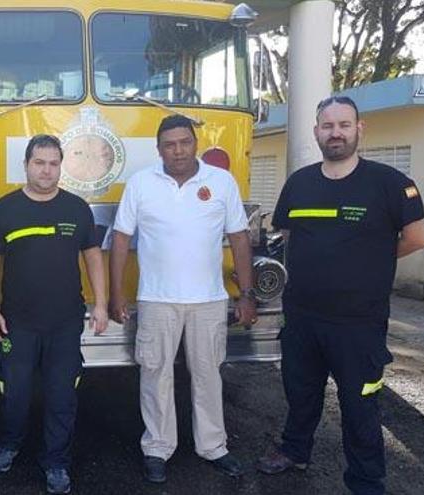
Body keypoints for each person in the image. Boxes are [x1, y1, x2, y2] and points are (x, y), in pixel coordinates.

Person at [256, 96, 424, 495]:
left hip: (358, 322)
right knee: (300, 393)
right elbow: (288, 237)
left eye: (344, 125)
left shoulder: (390, 184)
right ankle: (295, 450)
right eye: (328, 126)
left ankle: (366, 481)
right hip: (301, 316)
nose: (336, 133)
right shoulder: (299, 184)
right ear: (317, 131)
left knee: (359, 406)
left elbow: (417, 238)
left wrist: (368, 258)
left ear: (359, 130)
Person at [109, 115, 256, 482]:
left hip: (208, 300)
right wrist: (115, 294)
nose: (178, 150)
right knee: (155, 373)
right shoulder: (141, 183)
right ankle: (157, 447)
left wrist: (246, 294)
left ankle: (213, 446)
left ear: (195, 143)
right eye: (170, 144)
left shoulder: (220, 182)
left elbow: (239, 238)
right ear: (159, 149)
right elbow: (121, 240)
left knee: (208, 374)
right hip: (156, 300)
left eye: (184, 142)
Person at [0, 134, 109, 494]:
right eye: (39, 162)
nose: (46, 170)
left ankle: (56, 462)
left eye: (53, 163)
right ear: (26, 165)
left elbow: (93, 258)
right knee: (15, 393)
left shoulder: (76, 209)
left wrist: (99, 304)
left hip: (65, 323)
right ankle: (9, 443)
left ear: (60, 166)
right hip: (17, 323)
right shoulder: (6, 209)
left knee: (61, 396)